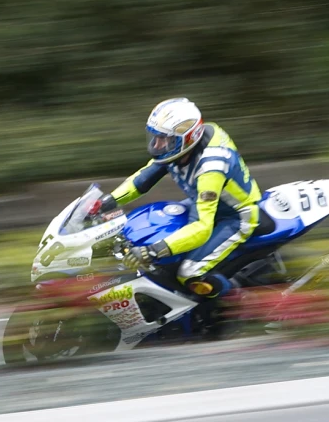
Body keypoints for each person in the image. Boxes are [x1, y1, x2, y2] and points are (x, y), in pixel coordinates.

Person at [97, 97, 261, 298]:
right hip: (203, 204)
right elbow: (143, 179)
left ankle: (238, 302)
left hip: (234, 216)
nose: (156, 145)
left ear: (186, 138)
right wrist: (107, 202)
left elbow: (202, 227)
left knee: (189, 273)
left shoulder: (211, 167)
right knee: (144, 232)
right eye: (154, 137)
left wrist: (154, 251)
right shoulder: (177, 150)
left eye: (163, 139)